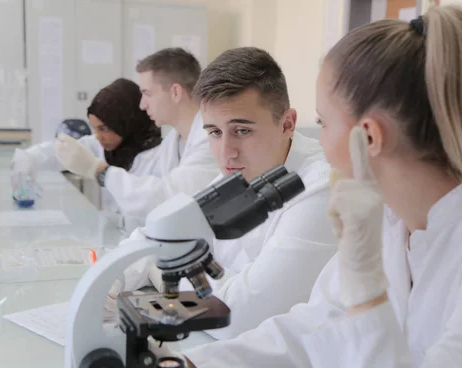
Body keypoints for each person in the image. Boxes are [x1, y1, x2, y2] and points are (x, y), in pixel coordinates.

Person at [156, 6, 462, 368]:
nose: (317, 142)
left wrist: (367, 291)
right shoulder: (392, 220)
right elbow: (316, 324)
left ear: (369, 138)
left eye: (323, 124)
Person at [121, 47, 337, 340]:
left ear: (287, 124)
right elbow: (161, 235)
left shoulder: (320, 189)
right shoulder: (238, 172)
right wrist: (114, 277)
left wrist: (166, 277)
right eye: (214, 132)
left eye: (242, 131)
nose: (226, 153)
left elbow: (237, 315)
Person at [66, 48, 218, 223]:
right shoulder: (173, 141)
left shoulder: (211, 140)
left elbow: (169, 198)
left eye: (147, 93)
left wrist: (101, 172)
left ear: (175, 92)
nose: (142, 105)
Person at [11, 78, 162, 221]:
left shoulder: (158, 156)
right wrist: (28, 157)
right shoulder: (101, 146)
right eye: (94, 128)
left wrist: (99, 171)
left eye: (104, 128)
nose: (98, 136)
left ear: (127, 122)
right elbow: (58, 151)